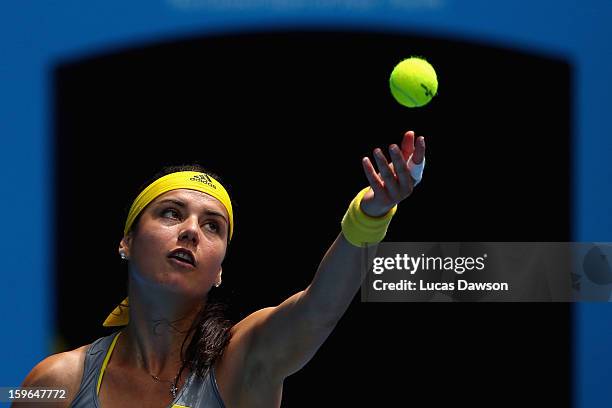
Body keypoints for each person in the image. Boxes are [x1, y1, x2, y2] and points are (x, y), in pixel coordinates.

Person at [16, 130, 426, 408]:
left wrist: (370, 216)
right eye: (171, 214)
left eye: (213, 226)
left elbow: (319, 308)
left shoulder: (243, 360)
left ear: (219, 271)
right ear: (127, 242)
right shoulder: (56, 383)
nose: (192, 230)